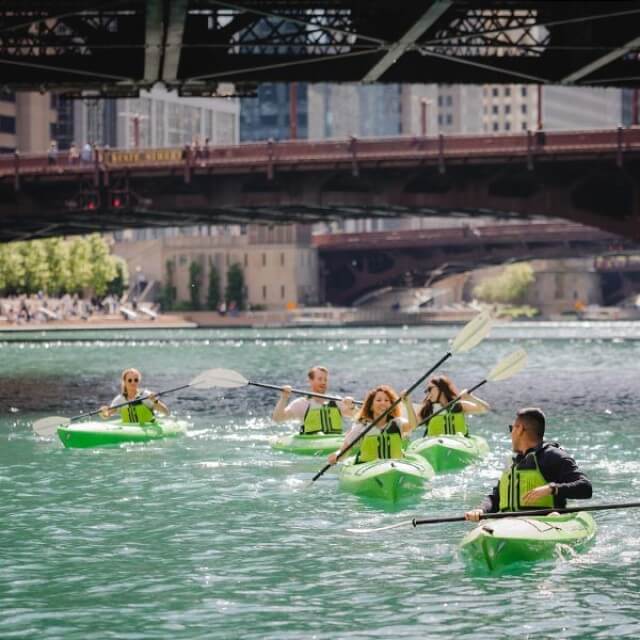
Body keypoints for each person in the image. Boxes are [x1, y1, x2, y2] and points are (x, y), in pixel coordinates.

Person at [465, 407, 592, 521]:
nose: (511, 434)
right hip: (508, 525)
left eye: (512, 428)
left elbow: (585, 488)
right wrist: (481, 509)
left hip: (545, 524)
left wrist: (551, 488)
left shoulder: (553, 457)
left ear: (519, 429)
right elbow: (496, 498)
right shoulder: (512, 462)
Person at [328, 384, 417, 465]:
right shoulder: (361, 426)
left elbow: (413, 425)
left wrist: (408, 403)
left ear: (391, 405)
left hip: (395, 466)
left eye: (387, 400)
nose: (383, 403)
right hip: (368, 468)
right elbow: (345, 450)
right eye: (378, 400)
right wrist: (337, 455)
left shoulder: (398, 423)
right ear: (371, 406)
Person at [272, 365, 355, 436]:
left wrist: (351, 406)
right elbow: (278, 418)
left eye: (325, 379)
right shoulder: (301, 404)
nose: (323, 382)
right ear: (311, 381)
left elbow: (358, 417)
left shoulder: (337, 402)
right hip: (311, 446)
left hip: (335, 443)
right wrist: (284, 397)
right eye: (320, 379)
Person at [413, 374, 489, 437]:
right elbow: (413, 425)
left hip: (458, 443)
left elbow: (485, 409)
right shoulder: (426, 409)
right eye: (426, 390)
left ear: (441, 388)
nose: (427, 393)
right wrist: (406, 403)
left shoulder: (457, 406)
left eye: (430, 389)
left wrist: (471, 398)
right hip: (434, 444)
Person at [100, 368, 169, 424]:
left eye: (136, 380)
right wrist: (103, 412)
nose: (133, 382)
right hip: (129, 429)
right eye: (130, 380)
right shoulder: (119, 399)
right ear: (125, 381)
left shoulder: (146, 395)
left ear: (138, 381)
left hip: (148, 426)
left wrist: (155, 401)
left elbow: (166, 412)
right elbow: (106, 415)